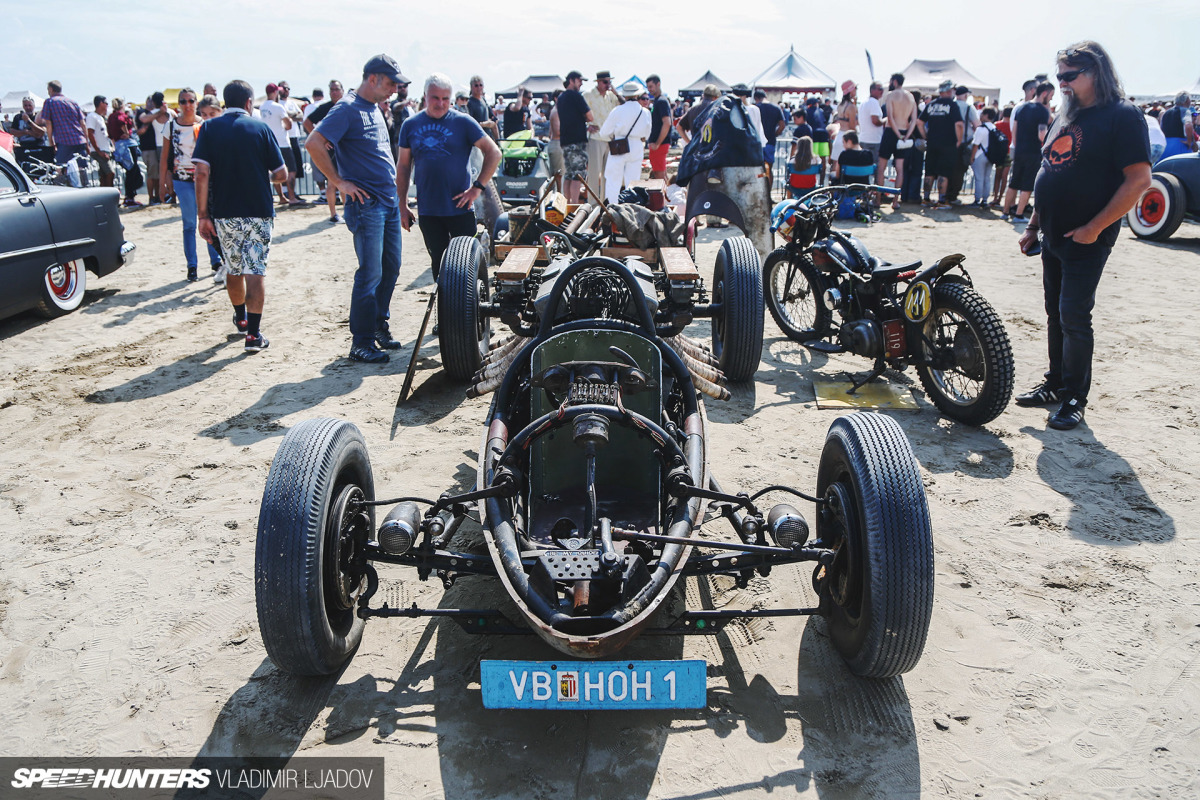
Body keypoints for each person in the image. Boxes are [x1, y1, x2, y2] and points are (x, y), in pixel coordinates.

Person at [1015, 41, 1151, 431]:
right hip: (1053, 234)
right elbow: (1050, 172)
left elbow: (1139, 180)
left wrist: (1094, 227)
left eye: (1070, 76)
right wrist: (1033, 224)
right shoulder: (1067, 114)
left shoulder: (1122, 116)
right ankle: (1056, 383)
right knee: (1055, 314)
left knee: (1074, 316)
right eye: (1059, 77)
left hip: (1087, 237)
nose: (1062, 84)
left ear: (1097, 73)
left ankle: (1075, 397)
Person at [307, 54, 407, 364]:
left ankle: (377, 326)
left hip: (386, 202)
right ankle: (361, 342)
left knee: (391, 267)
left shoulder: (373, 106)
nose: (395, 89)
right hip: (368, 205)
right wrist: (338, 182)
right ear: (373, 78)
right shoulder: (347, 108)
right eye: (391, 83)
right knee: (371, 274)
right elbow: (313, 142)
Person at [194, 80, 287, 353]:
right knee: (255, 271)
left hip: (224, 210)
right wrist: (261, 176)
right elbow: (281, 174)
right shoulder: (261, 128)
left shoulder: (209, 128)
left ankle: (241, 318)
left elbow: (201, 173)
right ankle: (254, 336)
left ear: (225, 102)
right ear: (249, 103)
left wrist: (202, 215)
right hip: (258, 209)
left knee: (233, 268)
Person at [397, 73, 501, 280]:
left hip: (460, 208)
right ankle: (445, 309)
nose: (441, 103)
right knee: (440, 264)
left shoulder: (463, 122)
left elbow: (494, 153)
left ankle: (472, 309)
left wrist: (477, 188)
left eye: (446, 99)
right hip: (429, 209)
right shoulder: (411, 125)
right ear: (425, 96)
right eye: (435, 98)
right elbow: (403, 165)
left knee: (468, 264)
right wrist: (401, 204)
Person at [160, 88, 224, 282]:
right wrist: (164, 182)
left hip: (205, 178)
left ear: (196, 102)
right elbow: (164, 157)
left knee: (209, 220)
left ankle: (216, 261)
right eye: (183, 101)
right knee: (189, 223)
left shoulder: (204, 123)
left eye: (190, 100)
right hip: (183, 180)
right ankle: (192, 266)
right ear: (178, 104)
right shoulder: (171, 126)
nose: (187, 105)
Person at [1004, 81, 1054, 222]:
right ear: (1044, 93)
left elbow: (1014, 129)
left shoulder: (1021, 107)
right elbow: (1041, 135)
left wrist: (1017, 145)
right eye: (1051, 95)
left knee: (1013, 183)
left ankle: (1005, 212)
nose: (1051, 99)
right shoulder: (1042, 111)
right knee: (1027, 185)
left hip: (1019, 149)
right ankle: (1019, 215)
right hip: (1033, 151)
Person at [598, 82, 652, 204]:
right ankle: (631, 208)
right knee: (633, 181)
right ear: (638, 95)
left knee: (613, 181)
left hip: (619, 145)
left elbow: (604, 133)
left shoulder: (617, 110)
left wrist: (614, 137)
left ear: (625, 95)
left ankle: (612, 208)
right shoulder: (645, 112)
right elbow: (647, 135)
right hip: (637, 146)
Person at [917, 80, 964, 209]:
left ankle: (925, 199)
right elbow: (959, 124)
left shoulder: (931, 104)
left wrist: (925, 135)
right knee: (944, 172)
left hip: (932, 142)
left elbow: (919, 122)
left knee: (929, 171)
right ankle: (942, 201)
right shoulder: (952, 105)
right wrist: (959, 140)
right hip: (948, 143)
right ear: (949, 91)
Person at [304, 80, 346, 222]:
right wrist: (323, 140)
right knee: (333, 181)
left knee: (345, 181)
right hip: (332, 151)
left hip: (346, 149)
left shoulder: (347, 106)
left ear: (342, 90)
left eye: (336, 89)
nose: (334, 92)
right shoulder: (325, 107)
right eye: (332, 89)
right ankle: (334, 214)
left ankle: (347, 212)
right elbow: (307, 122)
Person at [36, 80, 90, 187]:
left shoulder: (49, 102)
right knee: (81, 169)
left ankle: (64, 193)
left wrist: (52, 143)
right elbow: (83, 124)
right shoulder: (72, 102)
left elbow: (48, 123)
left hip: (64, 140)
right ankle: (84, 191)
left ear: (51, 89)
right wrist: (87, 142)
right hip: (80, 140)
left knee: (61, 169)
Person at [878, 73, 918, 205]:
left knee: (881, 167)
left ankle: (878, 199)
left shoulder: (891, 95)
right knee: (900, 169)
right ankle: (895, 201)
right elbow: (914, 120)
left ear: (894, 82)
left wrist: (897, 134)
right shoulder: (910, 96)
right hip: (904, 132)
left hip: (891, 132)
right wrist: (906, 135)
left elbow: (890, 117)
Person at [259, 83, 301, 205]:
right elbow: (288, 125)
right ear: (275, 92)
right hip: (282, 142)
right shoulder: (278, 107)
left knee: (274, 170)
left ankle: (281, 196)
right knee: (291, 169)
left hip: (270, 142)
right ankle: (292, 197)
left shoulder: (262, 107)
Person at [556, 71, 593, 203]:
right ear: (571, 80)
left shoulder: (560, 98)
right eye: (579, 80)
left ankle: (566, 204)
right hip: (577, 140)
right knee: (578, 175)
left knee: (569, 174)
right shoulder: (576, 96)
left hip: (565, 140)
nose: (581, 83)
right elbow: (590, 116)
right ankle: (575, 205)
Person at [584, 70, 621, 200]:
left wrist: (615, 91)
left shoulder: (611, 96)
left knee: (608, 175)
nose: (608, 85)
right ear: (598, 82)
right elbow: (579, 113)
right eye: (605, 82)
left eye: (610, 82)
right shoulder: (588, 95)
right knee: (594, 174)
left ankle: (605, 202)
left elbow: (624, 104)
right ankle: (593, 204)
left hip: (610, 139)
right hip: (596, 138)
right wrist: (586, 126)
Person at [946, 85, 980, 204]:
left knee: (947, 170)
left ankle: (944, 195)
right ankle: (953, 196)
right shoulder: (969, 108)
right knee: (959, 171)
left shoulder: (949, 105)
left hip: (948, 142)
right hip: (963, 144)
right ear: (965, 95)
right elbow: (977, 126)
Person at [107, 98, 143, 207]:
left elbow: (110, 133)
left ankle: (129, 196)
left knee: (129, 170)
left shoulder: (111, 117)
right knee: (132, 170)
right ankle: (130, 196)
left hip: (118, 144)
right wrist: (126, 133)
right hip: (127, 145)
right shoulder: (122, 116)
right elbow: (123, 123)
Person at [277, 81, 307, 201]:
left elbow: (301, 116)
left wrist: (289, 115)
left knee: (295, 167)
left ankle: (292, 192)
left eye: (288, 88)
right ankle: (286, 193)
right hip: (283, 138)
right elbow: (282, 116)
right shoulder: (277, 104)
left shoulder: (291, 103)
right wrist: (291, 115)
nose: (286, 90)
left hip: (294, 137)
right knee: (285, 167)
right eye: (284, 88)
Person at [137, 94, 166, 204]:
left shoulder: (152, 113)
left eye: (151, 101)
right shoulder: (143, 113)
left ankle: (157, 196)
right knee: (151, 175)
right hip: (148, 148)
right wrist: (160, 112)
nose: (150, 103)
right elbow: (143, 120)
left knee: (156, 175)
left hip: (153, 148)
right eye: (148, 101)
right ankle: (151, 197)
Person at [969, 107, 999, 207]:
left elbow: (975, 144)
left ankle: (977, 200)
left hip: (980, 155)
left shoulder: (981, 129)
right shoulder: (994, 128)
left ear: (986, 115)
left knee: (979, 178)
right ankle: (985, 200)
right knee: (987, 178)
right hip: (990, 156)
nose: (980, 116)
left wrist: (972, 157)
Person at [645, 75, 672, 180]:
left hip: (660, 144)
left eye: (651, 86)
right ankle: (665, 195)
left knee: (659, 176)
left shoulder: (661, 101)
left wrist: (657, 143)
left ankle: (663, 196)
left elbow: (667, 123)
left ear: (658, 84)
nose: (649, 89)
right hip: (659, 143)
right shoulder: (658, 101)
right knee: (661, 174)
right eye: (648, 87)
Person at [85, 96, 115, 188]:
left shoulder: (100, 117)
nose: (107, 105)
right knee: (110, 173)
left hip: (104, 150)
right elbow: (90, 134)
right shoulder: (92, 116)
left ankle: (104, 196)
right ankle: (110, 195)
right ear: (101, 103)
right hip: (99, 151)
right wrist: (99, 151)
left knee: (104, 175)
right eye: (106, 103)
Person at [754, 88, 787, 170]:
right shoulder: (776, 108)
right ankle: (769, 183)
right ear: (765, 96)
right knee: (769, 169)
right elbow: (782, 125)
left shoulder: (755, 108)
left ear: (756, 98)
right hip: (770, 141)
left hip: (757, 143)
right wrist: (775, 134)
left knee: (758, 170)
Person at [858, 82, 885, 174]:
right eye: (880, 89)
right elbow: (875, 121)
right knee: (875, 170)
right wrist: (886, 120)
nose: (882, 91)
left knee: (863, 168)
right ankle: (873, 188)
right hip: (873, 141)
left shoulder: (864, 103)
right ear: (872, 90)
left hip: (864, 139)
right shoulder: (873, 102)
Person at [1160, 93, 1196, 159]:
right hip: (1180, 144)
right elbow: (1188, 125)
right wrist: (1189, 140)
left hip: (1165, 145)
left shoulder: (1166, 112)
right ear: (1187, 101)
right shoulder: (1185, 111)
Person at [466, 75, 499, 140]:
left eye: (481, 85)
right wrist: (484, 124)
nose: (479, 88)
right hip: (476, 139)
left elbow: (492, 116)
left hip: (487, 137)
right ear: (471, 87)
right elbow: (469, 124)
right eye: (476, 85)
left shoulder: (483, 100)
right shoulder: (469, 103)